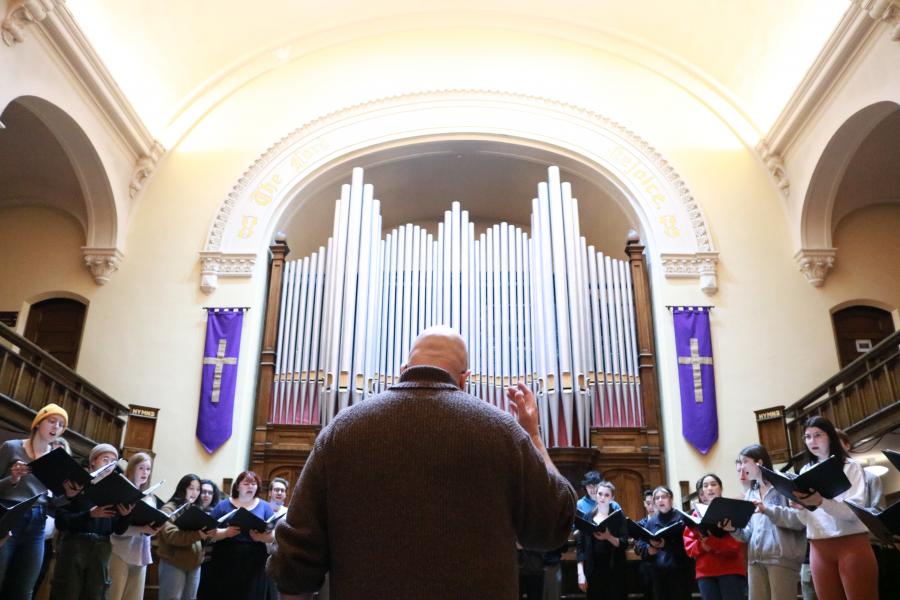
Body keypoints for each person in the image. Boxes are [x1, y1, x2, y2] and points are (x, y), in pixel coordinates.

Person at [267, 325, 576, 600]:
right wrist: (533, 435)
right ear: (465, 379)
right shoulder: (504, 432)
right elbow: (553, 525)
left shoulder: (343, 429)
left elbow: (296, 556)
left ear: (404, 368)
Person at [791, 416, 878, 600]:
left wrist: (820, 501)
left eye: (817, 435)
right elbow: (807, 521)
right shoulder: (805, 470)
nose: (811, 441)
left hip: (851, 543)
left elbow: (853, 512)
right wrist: (800, 508)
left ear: (830, 436)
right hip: (818, 545)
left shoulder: (850, 466)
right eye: (807, 437)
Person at [0, 403, 81, 600]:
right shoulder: (12, 447)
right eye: (52, 421)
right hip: (9, 516)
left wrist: (69, 495)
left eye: (61, 425)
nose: (56, 427)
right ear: (37, 423)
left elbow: (54, 502)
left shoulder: (56, 459)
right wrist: (13, 478)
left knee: (24, 589)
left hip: (37, 522)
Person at [50, 443, 132, 600]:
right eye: (105, 459)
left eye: (113, 461)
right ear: (93, 461)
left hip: (101, 548)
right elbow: (61, 521)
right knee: (66, 592)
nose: (109, 464)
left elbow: (118, 530)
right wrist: (90, 514)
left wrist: (126, 515)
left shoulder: (116, 490)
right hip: (75, 545)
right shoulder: (76, 483)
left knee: (95, 595)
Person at [724, 444, 805, 600]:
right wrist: (732, 529)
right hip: (755, 560)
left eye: (745, 461)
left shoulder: (784, 484)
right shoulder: (751, 493)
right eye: (740, 463)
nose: (741, 466)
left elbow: (799, 519)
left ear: (759, 462)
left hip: (781, 558)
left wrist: (767, 509)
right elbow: (747, 534)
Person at [204, 471, 275, 599]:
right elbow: (208, 532)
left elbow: (273, 534)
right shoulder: (223, 505)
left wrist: (260, 537)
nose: (250, 486)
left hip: (255, 559)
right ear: (237, 487)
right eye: (246, 483)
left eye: (254, 484)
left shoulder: (264, 506)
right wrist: (225, 532)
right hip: (226, 557)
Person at [683, 474, 746, 600]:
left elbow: (735, 546)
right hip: (705, 573)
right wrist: (702, 546)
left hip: (730, 570)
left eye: (713, 484)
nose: (709, 488)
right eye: (705, 486)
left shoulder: (732, 509)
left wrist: (710, 542)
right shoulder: (695, 514)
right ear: (702, 492)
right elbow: (689, 547)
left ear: (720, 489)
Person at [109, 452, 160, 600]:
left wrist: (154, 529)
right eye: (141, 468)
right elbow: (115, 530)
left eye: (148, 469)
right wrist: (141, 529)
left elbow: (149, 528)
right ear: (131, 469)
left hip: (141, 553)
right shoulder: (122, 493)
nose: (145, 472)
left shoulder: (150, 497)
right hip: (120, 551)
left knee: (134, 597)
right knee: (115, 595)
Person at [633, 486, 693, 600]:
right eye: (657, 498)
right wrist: (648, 550)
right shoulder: (652, 521)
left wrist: (666, 545)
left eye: (664, 497)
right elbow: (641, 543)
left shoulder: (682, 518)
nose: (660, 500)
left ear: (671, 499)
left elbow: (688, 545)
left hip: (680, 573)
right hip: (658, 575)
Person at [157, 473, 206, 600]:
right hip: (174, 562)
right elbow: (172, 536)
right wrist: (198, 534)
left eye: (198, 489)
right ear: (182, 489)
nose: (195, 492)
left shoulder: (196, 509)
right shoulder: (168, 509)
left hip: (194, 563)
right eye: (191, 488)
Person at [576, 480, 627, 600]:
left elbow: (624, 542)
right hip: (593, 571)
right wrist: (580, 573)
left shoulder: (618, 516)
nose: (602, 497)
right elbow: (580, 546)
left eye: (607, 495)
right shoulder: (588, 516)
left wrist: (608, 537)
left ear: (612, 497)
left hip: (614, 570)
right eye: (600, 494)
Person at [194, 479, 220, 600]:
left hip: (212, 560)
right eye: (203, 492)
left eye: (210, 493)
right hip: (192, 559)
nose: (206, 495)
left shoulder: (217, 512)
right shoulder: (192, 510)